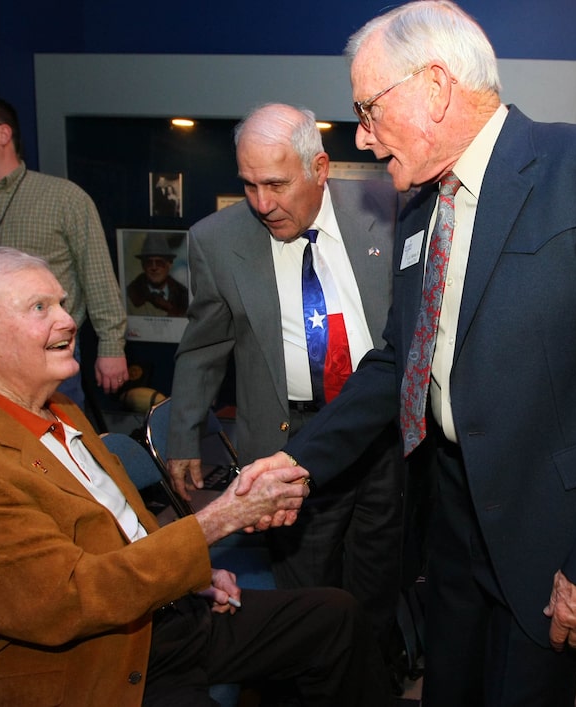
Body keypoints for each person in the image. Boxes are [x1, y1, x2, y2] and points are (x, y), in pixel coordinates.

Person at [238, 3, 576, 705]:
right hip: (451, 527)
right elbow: (402, 358)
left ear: (433, 85)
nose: (362, 136)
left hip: (553, 543)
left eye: (367, 108)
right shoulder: (423, 205)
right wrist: (303, 456)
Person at [0, 246, 390, 707]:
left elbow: (122, 530)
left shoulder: (59, 408)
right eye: (39, 307)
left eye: (61, 302)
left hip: (156, 619)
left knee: (335, 617)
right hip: (84, 668)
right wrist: (219, 520)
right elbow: (67, 600)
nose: (67, 321)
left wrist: (184, 579)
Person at [166, 103, 405, 665]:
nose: (262, 204)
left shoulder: (389, 213)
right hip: (288, 440)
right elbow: (203, 346)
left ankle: (367, 676)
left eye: (276, 183)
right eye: (248, 185)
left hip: (378, 435)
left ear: (319, 168)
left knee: (376, 580)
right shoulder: (216, 240)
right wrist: (183, 435)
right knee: (309, 591)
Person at [0, 91, 128, 407]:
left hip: (51, 356)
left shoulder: (63, 198)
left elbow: (97, 277)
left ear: (3, 132)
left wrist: (112, 347)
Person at [127, 232, 189, 317]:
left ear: (169, 264)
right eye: (149, 262)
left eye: (159, 263)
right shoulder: (131, 295)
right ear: (143, 265)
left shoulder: (183, 295)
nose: (154, 267)